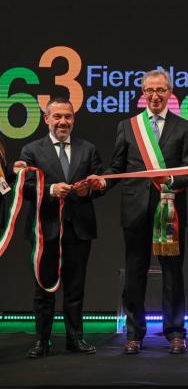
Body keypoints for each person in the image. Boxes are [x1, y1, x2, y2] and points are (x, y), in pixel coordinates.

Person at [87, 69, 188, 355]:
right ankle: (134, 334)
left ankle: (175, 333)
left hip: (170, 210)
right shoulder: (128, 126)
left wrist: (170, 180)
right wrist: (103, 181)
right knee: (135, 272)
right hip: (134, 209)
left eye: (160, 90)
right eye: (149, 90)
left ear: (170, 93)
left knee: (173, 273)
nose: (155, 95)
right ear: (142, 93)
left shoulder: (185, 127)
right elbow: (117, 167)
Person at [19, 97, 104, 358]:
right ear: (47, 119)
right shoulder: (31, 150)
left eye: (68, 116)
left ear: (74, 119)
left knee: (75, 289)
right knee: (43, 290)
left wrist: (93, 188)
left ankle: (75, 339)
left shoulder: (87, 149)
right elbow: (24, 187)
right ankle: (41, 342)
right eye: (57, 117)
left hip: (79, 229)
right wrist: (51, 189)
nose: (63, 122)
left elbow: (100, 183)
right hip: (45, 230)